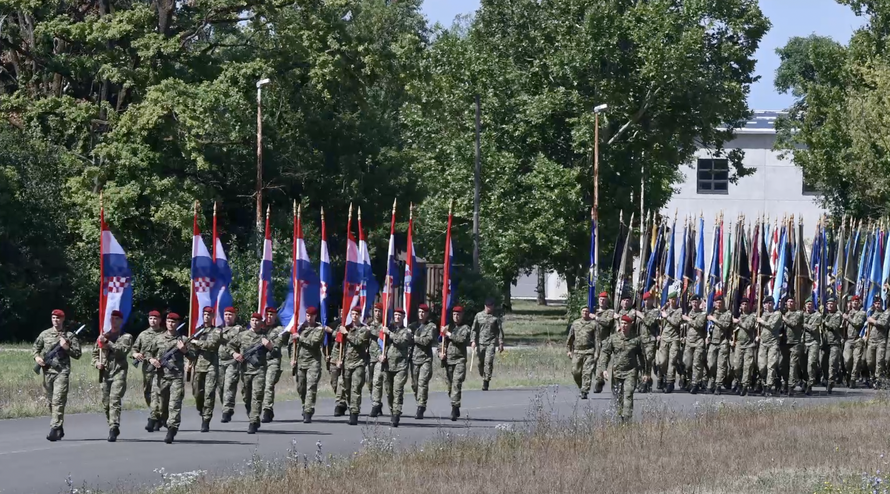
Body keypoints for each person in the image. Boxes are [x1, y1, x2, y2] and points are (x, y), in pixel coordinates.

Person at [32, 309, 83, 442]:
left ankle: (54, 429)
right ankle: (59, 426)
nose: (55, 320)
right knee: (50, 401)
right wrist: (37, 358)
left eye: (58, 318)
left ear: (63, 319)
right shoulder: (45, 334)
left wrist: (66, 347)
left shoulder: (69, 335)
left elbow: (77, 354)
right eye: (53, 317)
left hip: (62, 372)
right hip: (47, 372)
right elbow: (35, 348)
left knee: (58, 400)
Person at [596, 315, 646, 424]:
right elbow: (605, 353)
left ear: (630, 324)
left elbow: (642, 356)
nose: (624, 326)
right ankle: (620, 417)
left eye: (626, 323)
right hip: (617, 372)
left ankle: (627, 419)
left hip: (631, 372)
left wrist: (645, 372)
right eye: (622, 323)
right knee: (618, 397)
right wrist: (604, 369)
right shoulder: (613, 338)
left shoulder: (636, 340)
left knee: (628, 394)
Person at [92, 310, 133, 442]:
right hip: (105, 373)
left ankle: (113, 427)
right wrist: (96, 363)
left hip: (118, 372)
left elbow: (121, 352)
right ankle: (112, 423)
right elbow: (94, 354)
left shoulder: (126, 337)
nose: (114, 321)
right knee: (106, 403)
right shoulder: (103, 336)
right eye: (112, 318)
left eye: (117, 319)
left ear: (121, 321)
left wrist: (107, 342)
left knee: (114, 399)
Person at [148, 313, 188, 444]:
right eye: (169, 321)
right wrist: (152, 359)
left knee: (175, 404)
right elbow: (148, 352)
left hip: (176, 377)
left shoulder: (183, 339)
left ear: (177, 323)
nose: (171, 324)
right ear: (166, 322)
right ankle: (163, 420)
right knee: (161, 405)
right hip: (161, 376)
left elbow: (193, 356)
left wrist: (184, 350)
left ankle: (172, 429)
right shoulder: (158, 338)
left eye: (174, 322)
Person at [231, 313, 272, 434]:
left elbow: (275, 351)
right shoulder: (242, 335)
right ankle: (251, 413)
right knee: (246, 396)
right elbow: (229, 346)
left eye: (257, 320)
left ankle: (253, 421)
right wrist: (235, 354)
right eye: (252, 320)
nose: (254, 322)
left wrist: (268, 345)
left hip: (259, 370)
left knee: (257, 396)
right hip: (245, 370)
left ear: (261, 322)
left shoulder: (265, 336)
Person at [378, 308, 414, 427]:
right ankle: (392, 410)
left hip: (400, 366)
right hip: (387, 365)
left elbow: (402, 342)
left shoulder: (406, 331)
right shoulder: (387, 329)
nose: (397, 317)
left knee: (397, 391)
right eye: (395, 315)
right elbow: (380, 343)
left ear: (403, 317)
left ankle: (396, 414)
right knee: (389, 392)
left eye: (399, 315)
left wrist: (389, 333)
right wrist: (381, 355)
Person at [336, 307, 371, 425]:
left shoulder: (364, 329)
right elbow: (338, 343)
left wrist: (346, 334)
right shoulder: (346, 328)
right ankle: (351, 406)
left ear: (360, 315)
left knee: (356, 388)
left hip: (358, 363)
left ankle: (354, 412)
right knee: (346, 389)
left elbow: (359, 342)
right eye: (353, 314)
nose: (354, 316)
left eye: (356, 314)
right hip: (347, 363)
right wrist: (339, 359)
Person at [291, 306, 326, 423]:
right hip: (301, 362)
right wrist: (293, 358)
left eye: (311, 316)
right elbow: (293, 345)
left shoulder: (319, 329)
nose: (309, 318)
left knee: (311, 387)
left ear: (315, 316)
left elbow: (314, 343)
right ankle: (304, 404)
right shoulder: (300, 328)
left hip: (313, 362)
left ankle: (308, 410)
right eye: (307, 315)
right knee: (301, 387)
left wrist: (299, 337)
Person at [441, 306, 470, 421]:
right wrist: (441, 352)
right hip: (448, 361)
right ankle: (456, 404)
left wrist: (448, 334)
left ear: (462, 315)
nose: (456, 316)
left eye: (458, 314)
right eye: (454, 314)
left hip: (459, 360)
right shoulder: (448, 327)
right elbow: (441, 342)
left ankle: (454, 407)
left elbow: (461, 340)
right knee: (450, 386)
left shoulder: (465, 328)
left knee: (456, 383)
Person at [131, 310, 164, 409]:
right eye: (151, 318)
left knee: (160, 390)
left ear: (159, 320)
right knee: (148, 390)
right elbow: (134, 348)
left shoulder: (164, 333)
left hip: (161, 367)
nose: (153, 321)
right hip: (147, 368)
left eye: (155, 319)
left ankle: (158, 411)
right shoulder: (143, 334)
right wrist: (135, 354)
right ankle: (152, 409)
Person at [410, 304, 438, 419]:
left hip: (425, 359)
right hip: (414, 358)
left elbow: (427, 341)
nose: (421, 314)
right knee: (414, 384)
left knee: (422, 382)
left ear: (427, 314)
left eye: (423, 312)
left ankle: (421, 406)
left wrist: (414, 338)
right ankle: (419, 401)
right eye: (420, 311)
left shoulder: (431, 327)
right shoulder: (412, 326)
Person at [471, 298, 504, 391]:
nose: (490, 308)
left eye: (492, 306)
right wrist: (473, 340)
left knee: (488, 362)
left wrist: (501, 343)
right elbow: (474, 329)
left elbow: (500, 331)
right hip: (480, 343)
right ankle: (483, 374)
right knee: (480, 363)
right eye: (489, 306)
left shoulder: (495, 318)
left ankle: (486, 381)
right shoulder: (478, 316)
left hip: (491, 343)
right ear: (485, 306)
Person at [218, 307, 244, 423]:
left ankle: (227, 410)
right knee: (221, 387)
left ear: (234, 316)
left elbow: (244, 344)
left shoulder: (239, 330)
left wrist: (239, 355)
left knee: (229, 386)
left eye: (230, 314)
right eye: (226, 314)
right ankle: (225, 406)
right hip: (219, 362)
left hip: (232, 362)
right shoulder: (219, 330)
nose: (228, 316)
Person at [261, 307, 287, 423]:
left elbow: (276, 348)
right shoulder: (260, 329)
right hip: (259, 362)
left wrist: (268, 345)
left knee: (268, 385)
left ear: (275, 316)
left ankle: (267, 409)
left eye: (272, 314)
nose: (269, 316)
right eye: (268, 314)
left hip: (272, 361)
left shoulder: (280, 330)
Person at [566, 306, 597, 399]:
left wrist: (597, 353)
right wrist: (568, 351)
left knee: (587, 372)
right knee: (575, 372)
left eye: (587, 311)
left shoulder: (593, 324)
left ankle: (584, 391)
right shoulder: (575, 323)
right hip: (577, 351)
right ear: (581, 312)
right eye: (583, 311)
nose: (585, 313)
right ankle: (581, 387)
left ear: (589, 313)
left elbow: (597, 339)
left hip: (589, 351)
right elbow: (570, 338)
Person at [757, 296, 784, 396]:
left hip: (773, 343)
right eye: (765, 303)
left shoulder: (777, 314)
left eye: (770, 303)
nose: (767, 305)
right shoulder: (762, 314)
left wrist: (761, 321)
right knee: (761, 366)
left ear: (773, 304)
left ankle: (769, 386)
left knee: (771, 365)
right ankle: (764, 382)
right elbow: (759, 327)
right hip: (763, 343)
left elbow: (772, 326)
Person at [706, 294, 732, 394]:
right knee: (711, 364)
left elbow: (725, 325)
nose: (719, 304)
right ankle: (712, 379)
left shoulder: (727, 313)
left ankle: (718, 385)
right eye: (717, 303)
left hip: (723, 342)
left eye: (720, 303)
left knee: (721, 364)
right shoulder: (711, 312)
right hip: (713, 341)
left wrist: (714, 319)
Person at [681, 295, 707, 394]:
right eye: (693, 302)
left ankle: (695, 383)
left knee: (697, 363)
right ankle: (688, 380)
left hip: (698, 342)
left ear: (699, 303)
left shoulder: (702, 314)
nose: (695, 304)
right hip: (688, 342)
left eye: (697, 302)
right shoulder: (687, 312)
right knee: (687, 363)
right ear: (691, 303)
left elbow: (699, 325)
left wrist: (688, 319)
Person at [732, 298, 757, 396]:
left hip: (749, 345)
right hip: (739, 344)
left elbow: (749, 326)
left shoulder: (752, 316)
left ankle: (745, 385)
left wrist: (738, 322)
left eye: (746, 304)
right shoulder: (737, 316)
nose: (744, 306)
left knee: (747, 366)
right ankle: (738, 381)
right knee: (737, 366)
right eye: (743, 304)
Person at [658, 293, 682, 393]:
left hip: (674, 339)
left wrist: (666, 316)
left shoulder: (679, 310)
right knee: (663, 361)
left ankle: (670, 382)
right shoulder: (665, 310)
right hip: (664, 338)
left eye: (674, 299)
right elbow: (660, 324)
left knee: (672, 361)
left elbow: (676, 322)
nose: (672, 301)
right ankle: (662, 377)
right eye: (670, 299)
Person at [593, 291, 615, 393]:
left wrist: (596, 318)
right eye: (601, 299)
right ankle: (599, 379)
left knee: (602, 361)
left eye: (604, 300)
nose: (602, 301)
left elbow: (608, 322)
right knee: (593, 361)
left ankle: (599, 381)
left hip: (605, 340)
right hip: (594, 341)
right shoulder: (593, 311)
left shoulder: (609, 312)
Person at [783, 297, 805, 395]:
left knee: (793, 364)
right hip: (785, 343)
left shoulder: (799, 313)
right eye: (789, 301)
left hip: (795, 342)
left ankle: (791, 386)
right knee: (782, 365)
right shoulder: (784, 313)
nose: (790, 303)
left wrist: (783, 318)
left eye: (792, 301)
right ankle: (785, 383)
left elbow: (794, 324)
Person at [843, 295, 867, 387]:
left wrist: (848, 318)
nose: (855, 303)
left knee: (856, 360)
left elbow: (858, 324)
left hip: (858, 339)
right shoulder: (848, 312)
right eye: (853, 301)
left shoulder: (862, 313)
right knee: (847, 359)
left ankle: (853, 378)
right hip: (848, 340)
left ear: (859, 303)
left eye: (857, 301)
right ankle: (848, 374)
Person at [639, 293, 660, 392]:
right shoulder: (641, 311)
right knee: (641, 362)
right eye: (645, 300)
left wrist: (641, 316)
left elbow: (650, 322)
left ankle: (646, 379)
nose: (647, 302)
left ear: (652, 300)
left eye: (649, 299)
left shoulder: (655, 311)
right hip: (640, 340)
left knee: (648, 360)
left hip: (650, 340)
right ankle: (645, 379)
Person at [866, 298, 889, 388]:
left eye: (879, 303)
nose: (877, 305)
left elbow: (884, 324)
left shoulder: (886, 313)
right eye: (875, 303)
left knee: (879, 362)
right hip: (871, 341)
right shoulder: (870, 313)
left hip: (881, 341)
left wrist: (873, 321)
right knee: (869, 361)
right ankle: (872, 377)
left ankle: (878, 379)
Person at [823, 297, 843, 393]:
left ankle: (831, 382)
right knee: (823, 363)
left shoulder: (838, 315)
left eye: (832, 304)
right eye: (828, 304)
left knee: (832, 363)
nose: (830, 306)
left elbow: (834, 326)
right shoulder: (825, 315)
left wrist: (824, 323)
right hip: (825, 343)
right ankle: (826, 378)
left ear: (835, 304)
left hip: (834, 343)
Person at [802, 299, 822, 395]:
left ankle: (810, 383)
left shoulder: (817, 315)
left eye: (810, 304)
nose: (809, 306)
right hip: (802, 343)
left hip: (813, 342)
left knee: (811, 363)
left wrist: (803, 324)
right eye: (807, 304)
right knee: (801, 364)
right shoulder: (801, 315)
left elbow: (813, 328)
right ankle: (804, 380)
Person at [366, 304, 384, 397]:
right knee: (369, 382)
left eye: (379, 311)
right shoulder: (368, 324)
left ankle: (376, 404)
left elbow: (381, 336)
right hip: (369, 357)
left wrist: (370, 331)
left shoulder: (384, 325)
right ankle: (375, 402)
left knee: (377, 381)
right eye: (376, 311)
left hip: (379, 357)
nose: (377, 313)